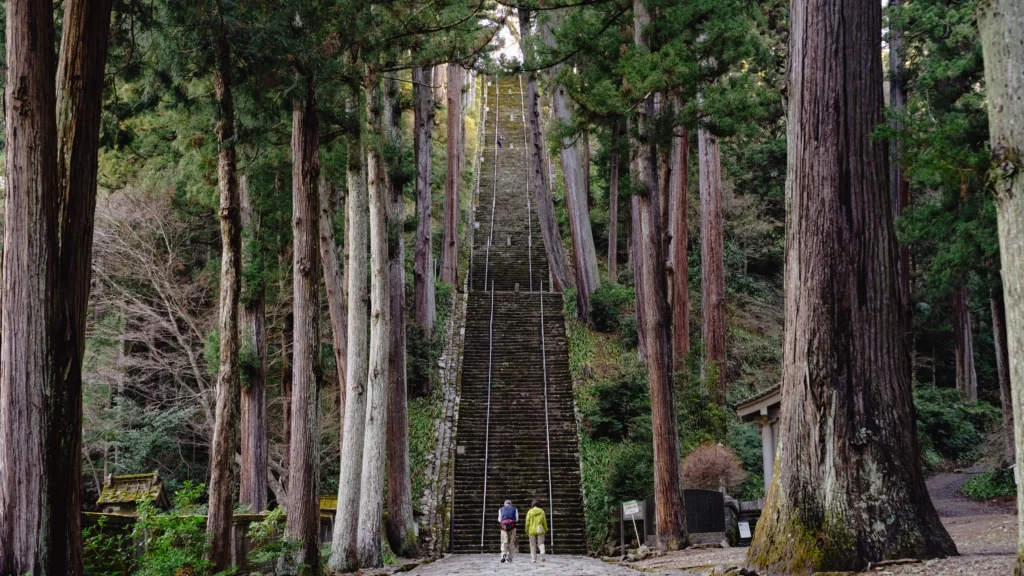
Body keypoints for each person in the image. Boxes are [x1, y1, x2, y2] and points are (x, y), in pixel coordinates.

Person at [498, 499, 518, 563]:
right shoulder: (515, 509)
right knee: (511, 542)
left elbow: (500, 519)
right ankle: (509, 558)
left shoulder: (501, 509)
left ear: (504, 504)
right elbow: (517, 519)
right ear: (511, 504)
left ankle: (504, 554)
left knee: (504, 541)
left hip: (503, 528)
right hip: (512, 527)